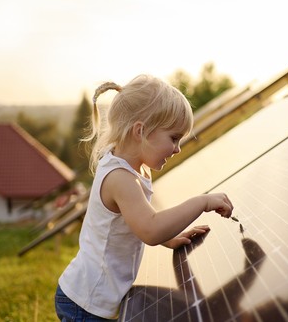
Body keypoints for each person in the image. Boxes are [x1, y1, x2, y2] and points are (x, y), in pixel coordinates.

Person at [54, 74, 234, 321]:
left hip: (92, 298)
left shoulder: (134, 169)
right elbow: (149, 229)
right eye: (173, 138)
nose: (178, 148)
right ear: (141, 131)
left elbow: (137, 221)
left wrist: (170, 238)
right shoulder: (120, 179)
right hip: (86, 302)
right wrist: (201, 202)